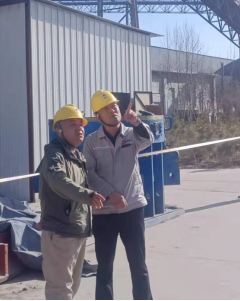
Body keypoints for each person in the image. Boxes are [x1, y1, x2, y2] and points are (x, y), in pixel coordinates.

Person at [83, 91, 155, 301]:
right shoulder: (92, 141)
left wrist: (136, 122)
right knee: (104, 267)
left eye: (114, 106)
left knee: (138, 265)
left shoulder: (131, 135)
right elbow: (89, 173)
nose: (112, 110)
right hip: (104, 212)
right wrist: (110, 193)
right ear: (98, 116)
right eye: (106, 109)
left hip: (132, 209)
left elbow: (148, 139)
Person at [39, 104, 106, 301]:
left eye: (80, 124)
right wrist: (88, 195)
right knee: (60, 289)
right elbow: (57, 180)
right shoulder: (55, 155)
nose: (79, 129)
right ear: (58, 129)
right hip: (60, 231)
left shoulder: (76, 155)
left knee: (72, 285)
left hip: (77, 230)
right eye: (72, 125)